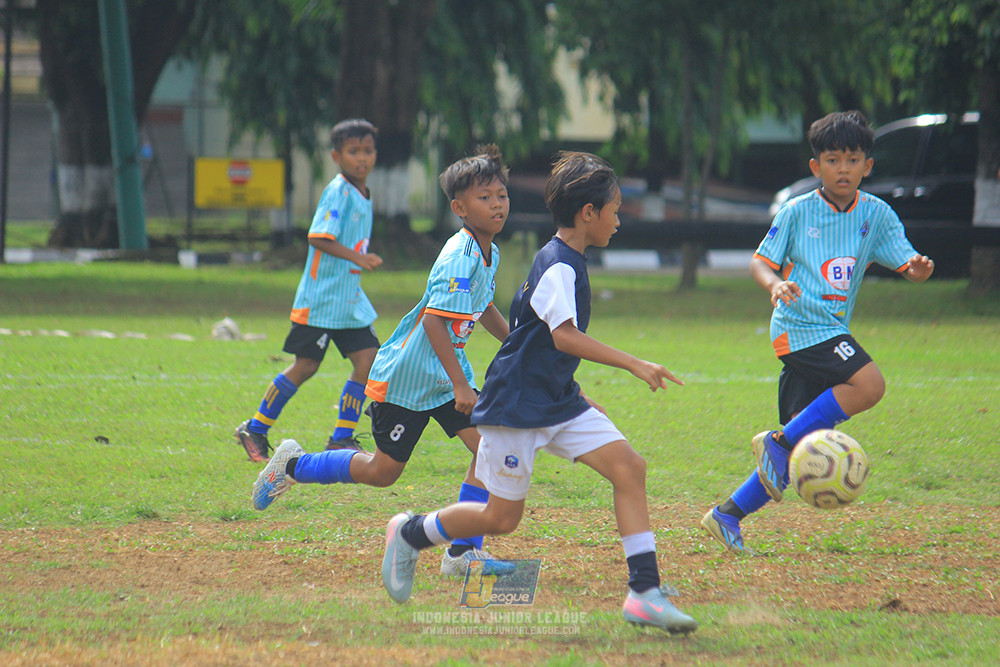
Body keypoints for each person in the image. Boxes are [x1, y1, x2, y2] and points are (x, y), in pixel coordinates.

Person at [380, 151, 699, 634]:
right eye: (614, 210)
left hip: (556, 400)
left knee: (629, 468)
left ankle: (644, 593)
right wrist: (634, 363)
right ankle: (409, 532)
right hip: (515, 407)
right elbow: (562, 337)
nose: (618, 220)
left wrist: (574, 394)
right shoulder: (558, 266)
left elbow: (537, 346)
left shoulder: (567, 260)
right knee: (502, 518)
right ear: (588, 214)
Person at [252, 144, 515, 577]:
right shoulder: (460, 255)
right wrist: (462, 385)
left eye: (501, 195)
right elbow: (433, 323)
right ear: (459, 208)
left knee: (490, 448)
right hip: (409, 378)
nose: (497, 204)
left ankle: (463, 552)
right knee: (382, 471)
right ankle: (293, 465)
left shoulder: (490, 252)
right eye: (484, 198)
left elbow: (483, 307)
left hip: (446, 377)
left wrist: (516, 343)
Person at [700, 110, 935, 553]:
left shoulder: (877, 215)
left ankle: (727, 515)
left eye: (852, 160)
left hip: (830, 330)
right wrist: (775, 284)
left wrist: (920, 270)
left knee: (795, 453)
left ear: (867, 166)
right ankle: (778, 440)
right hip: (799, 325)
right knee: (869, 385)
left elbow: (907, 264)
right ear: (816, 167)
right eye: (832, 160)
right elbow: (760, 261)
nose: (842, 169)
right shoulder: (796, 211)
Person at [235, 119, 383, 462]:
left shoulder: (363, 192)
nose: (362, 158)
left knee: (368, 359)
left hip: (347, 300)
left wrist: (356, 262)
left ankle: (341, 438)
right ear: (336, 155)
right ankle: (255, 428)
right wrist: (358, 257)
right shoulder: (339, 191)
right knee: (305, 366)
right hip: (321, 300)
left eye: (367, 151)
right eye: (353, 151)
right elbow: (318, 237)